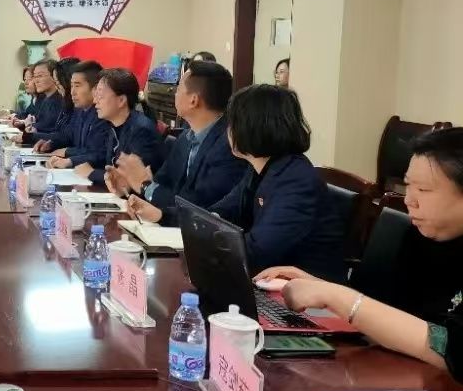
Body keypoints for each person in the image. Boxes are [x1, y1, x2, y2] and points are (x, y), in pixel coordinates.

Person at [256, 128, 463, 381]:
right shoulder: (419, 235)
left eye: (424, 190)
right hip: (396, 374)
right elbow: (382, 308)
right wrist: (321, 288)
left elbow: (452, 350)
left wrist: (337, 297)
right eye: (408, 185)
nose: (409, 200)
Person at [142, 84, 344, 281]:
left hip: (306, 293)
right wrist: (163, 215)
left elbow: (257, 250)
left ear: (253, 127)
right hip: (265, 279)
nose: (227, 132)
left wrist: (204, 244)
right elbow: (217, 214)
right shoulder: (258, 169)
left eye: (232, 123)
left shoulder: (295, 180)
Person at [111, 62, 246, 224]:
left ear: (193, 100)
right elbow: (161, 183)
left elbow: (198, 207)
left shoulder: (229, 146)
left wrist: (145, 185)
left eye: (179, 88)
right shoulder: (186, 137)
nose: (175, 94)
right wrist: (129, 188)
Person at [74, 67, 163, 184]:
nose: (95, 101)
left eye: (100, 96)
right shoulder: (114, 125)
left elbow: (129, 180)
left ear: (121, 100)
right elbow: (104, 161)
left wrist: (91, 173)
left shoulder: (141, 131)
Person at [32, 61, 110, 169]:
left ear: (95, 89)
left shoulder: (103, 114)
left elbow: (98, 154)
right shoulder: (79, 110)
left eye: (77, 86)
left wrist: (68, 155)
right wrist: (51, 144)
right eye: (71, 86)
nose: (72, 92)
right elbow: (68, 136)